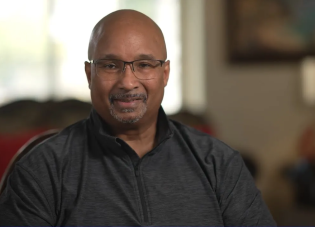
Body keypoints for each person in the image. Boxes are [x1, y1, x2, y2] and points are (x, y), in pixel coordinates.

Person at [0, 10, 276, 226]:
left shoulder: (218, 162)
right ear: (89, 75)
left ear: (165, 74)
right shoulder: (42, 168)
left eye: (144, 65)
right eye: (110, 65)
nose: (128, 82)